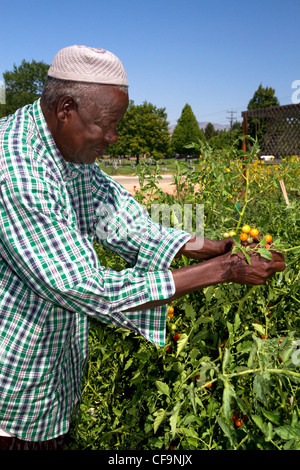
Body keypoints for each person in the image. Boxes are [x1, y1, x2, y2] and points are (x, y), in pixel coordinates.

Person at [0, 45, 285, 450]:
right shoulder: (16, 167)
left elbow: (117, 216)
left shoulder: (65, 148)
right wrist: (224, 271)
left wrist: (207, 246)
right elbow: (85, 287)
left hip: (53, 371)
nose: (114, 138)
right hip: (14, 392)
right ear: (65, 109)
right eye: (107, 124)